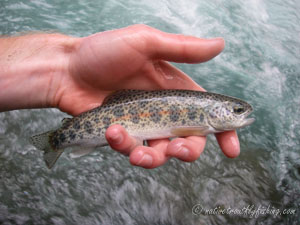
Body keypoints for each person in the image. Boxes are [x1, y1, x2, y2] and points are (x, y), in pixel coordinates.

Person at [0, 24, 240, 169]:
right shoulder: (201, 117)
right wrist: (68, 65)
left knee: (119, 137)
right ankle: (55, 141)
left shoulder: (202, 114)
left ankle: (56, 141)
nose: (240, 113)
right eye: (236, 110)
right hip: (105, 114)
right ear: (213, 111)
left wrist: (65, 67)